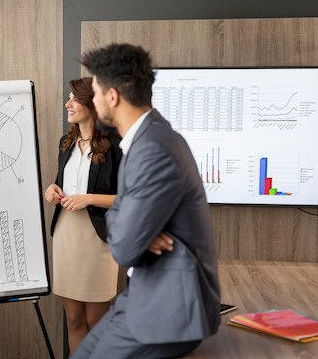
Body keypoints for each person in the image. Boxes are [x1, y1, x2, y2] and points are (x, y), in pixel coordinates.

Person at [73, 43, 221, 359]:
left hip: (167, 313)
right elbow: (127, 228)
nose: (93, 101)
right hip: (143, 296)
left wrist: (130, 225)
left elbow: (125, 248)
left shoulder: (152, 149)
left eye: (96, 92)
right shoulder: (147, 139)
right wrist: (132, 222)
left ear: (112, 97)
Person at [44, 77, 122, 352]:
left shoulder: (116, 144)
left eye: (74, 99)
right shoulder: (66, 143)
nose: (68, 104)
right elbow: (61, 185)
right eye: (69, 98)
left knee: (96, 321)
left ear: (93, 103)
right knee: (74, 320)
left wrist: (88, 198)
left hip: (97, 240)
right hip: (66, 237)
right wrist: (51, 191)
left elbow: (131, 197)